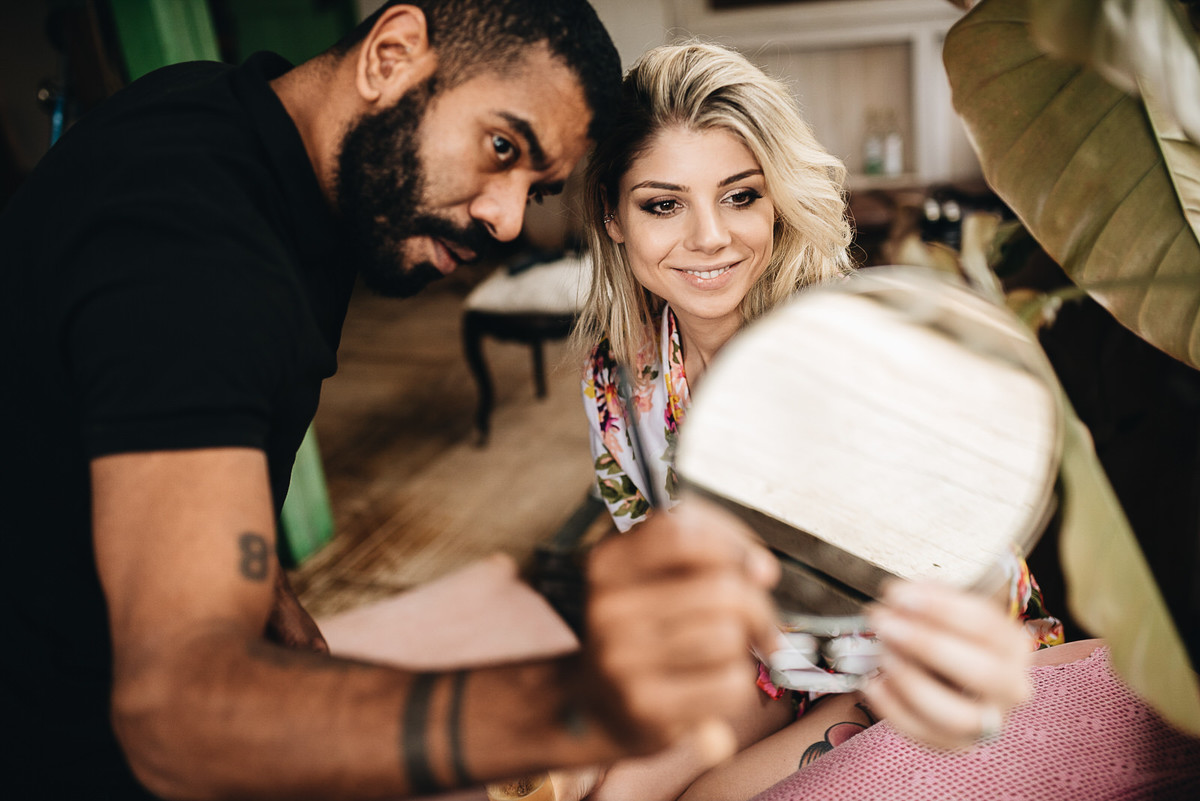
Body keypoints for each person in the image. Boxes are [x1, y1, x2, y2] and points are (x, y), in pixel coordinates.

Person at [1, 4, 785, 799]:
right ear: (391, 54)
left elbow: (154, 417)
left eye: (537, 187)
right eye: (501, 146)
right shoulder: (197, 260)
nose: (507, 219)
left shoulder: (225, 127)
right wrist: (570, 705)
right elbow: (179, 710)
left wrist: (271, 597)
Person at [573, 42, 1063, 800]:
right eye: (663, 203)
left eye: (741, 196)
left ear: (778, 200)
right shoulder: (619, 376)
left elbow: (972, 599)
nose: (708, 236)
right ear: (613, 215)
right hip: (768, 666)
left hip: (918, 677)